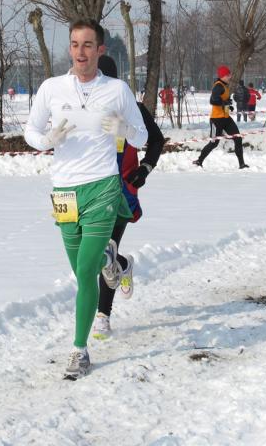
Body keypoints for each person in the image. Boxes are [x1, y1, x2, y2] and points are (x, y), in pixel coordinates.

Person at [24, 19, 148, 380]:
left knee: (86, 270)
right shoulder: (51, 88)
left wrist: (123, 130)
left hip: (103, 187)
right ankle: (116, 265)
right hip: (64, 191)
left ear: (100, 50)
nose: (81, 52)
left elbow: (141, 135)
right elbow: (30, 132)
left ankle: (79, 350)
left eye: (88, 45)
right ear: (71, 50)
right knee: (82, 273)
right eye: (76, 45)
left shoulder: (117, 90)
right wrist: (48, 139)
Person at [92, 55, 165, 340]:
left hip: (122, 189)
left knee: (107, 245)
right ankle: (123, 265)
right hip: (91, 189)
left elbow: (156, 140)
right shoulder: (83, 111)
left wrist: (144, 169)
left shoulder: (131, 109)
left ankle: (102, 316)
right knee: (95, 251)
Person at [193, 65, 249, 169]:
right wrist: (225, 102)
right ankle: (199, 161)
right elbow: (213, 101)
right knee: (214, 143)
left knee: (238, 138)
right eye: (228, 75)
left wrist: (229, 106)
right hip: (216, 120)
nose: (230, 76)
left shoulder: (225, 86)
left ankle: (241, 164)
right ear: (223, 76)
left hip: (226, 118)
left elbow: (223, 101)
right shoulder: (218, 86)